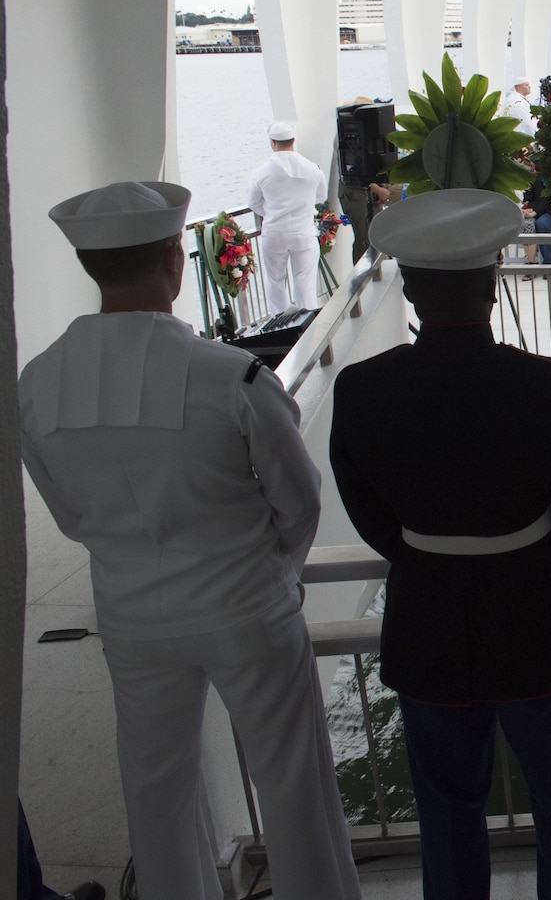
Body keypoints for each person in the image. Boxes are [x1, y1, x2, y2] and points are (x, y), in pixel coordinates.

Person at [18, 182, 362, 900]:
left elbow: (67, 514)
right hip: (246, 608)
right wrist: (275, 571)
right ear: (177, 260)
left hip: (133, 619)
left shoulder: (38, 383)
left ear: (90, 265)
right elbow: (297, 501)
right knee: (291, 781)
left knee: (156, 786)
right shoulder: (229, 376)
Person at [329, 188, 551, 900]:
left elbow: (366, 510)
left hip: (427, 620)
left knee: (448, 811)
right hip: (538, 615)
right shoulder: (548, 387)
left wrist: (422, 551)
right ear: (493, 287)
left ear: (414, 292)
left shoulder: (364, 390)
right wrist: (538, 557)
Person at [246, 119, 326, 312]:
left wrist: (274, 213)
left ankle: (280, 323)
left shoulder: (261, 172)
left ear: (273, 143)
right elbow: (321, 196)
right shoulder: (313, 168)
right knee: (304, 282)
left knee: (275, 281)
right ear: (293, 140)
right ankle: (307, 322)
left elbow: (253, 203)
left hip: (274, 232)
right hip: (304, 232)